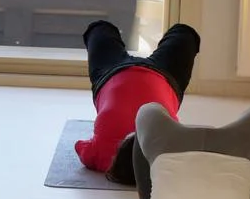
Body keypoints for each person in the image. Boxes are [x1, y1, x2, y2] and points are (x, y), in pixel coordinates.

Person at [75, 19, 201, 184]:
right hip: (116, 73)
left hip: (157, 76)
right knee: (99, 30)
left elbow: (80, 146)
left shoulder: (167, 151)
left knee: (184, 35)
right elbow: (80, 146)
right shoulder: (102, 157)